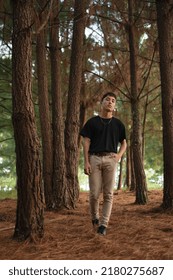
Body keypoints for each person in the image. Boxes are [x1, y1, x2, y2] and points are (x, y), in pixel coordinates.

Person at [80, 92, 127, 236]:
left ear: (114, 106)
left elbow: (124, 142)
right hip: (94, 159)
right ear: (102, 103)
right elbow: (86, 142)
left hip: (110, 160)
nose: (110, 102)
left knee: (108, 194)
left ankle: (103, 225)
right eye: (107, 100)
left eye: (113, 101)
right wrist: (86, 161)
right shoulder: (92, 122)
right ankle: (95, 217)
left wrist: (118, 156)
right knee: (94, 194)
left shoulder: (118, 124)